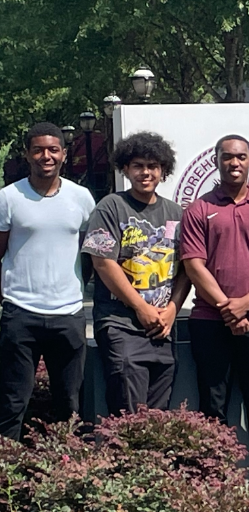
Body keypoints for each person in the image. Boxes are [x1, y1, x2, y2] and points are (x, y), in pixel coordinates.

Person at [180, 134, 249, 490]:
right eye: (227, 157)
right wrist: (229, 308)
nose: (234, 163)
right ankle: (214, 485)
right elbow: (194, 265)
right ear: (216, 161)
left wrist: (245, 305)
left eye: (241, 157)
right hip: (210, 323)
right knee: (213, 407)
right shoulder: (199, 209)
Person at [81, 132, 191, 415]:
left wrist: (172, 310)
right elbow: (103, 262)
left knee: (158, 414)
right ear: (125, 169)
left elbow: (187, 269)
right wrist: (140, 307)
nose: (146, 172)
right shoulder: (110, 207)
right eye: (138, 165)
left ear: (163, 171)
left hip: (163, 329)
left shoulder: (176, 213)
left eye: (153, 166)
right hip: (120, 324)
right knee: (128, 411)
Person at [0, 122, 95, 440]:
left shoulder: (81, 198)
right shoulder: (9, 198)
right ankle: (7, 477)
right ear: (27, 154)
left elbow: (91, 252)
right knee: (13, 402)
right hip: (20, 313)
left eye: (53, 149)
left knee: (69, 404)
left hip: (68, 314)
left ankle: (64, 474)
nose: (46, 156)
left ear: (64, 155)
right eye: (38, 149)